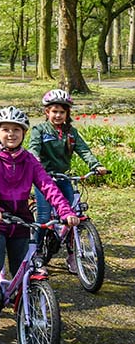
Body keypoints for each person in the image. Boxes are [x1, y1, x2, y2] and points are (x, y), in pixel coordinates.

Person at [0, 107, 79, 312]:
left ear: (24, 133)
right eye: (5, 129)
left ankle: (25, 314)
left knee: (22, 271)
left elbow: (47, 185)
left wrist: (65, 211)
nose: (11, 134)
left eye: (16, 130)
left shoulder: (30, 160)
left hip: (20, 219)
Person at [28, 89, 108, 267]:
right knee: (42, 216)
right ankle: (37, 250)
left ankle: (73, 255)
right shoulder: (39, 130)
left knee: (73, 215)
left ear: (67, 113)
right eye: (54, 111)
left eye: (62, 112)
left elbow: (84, 150)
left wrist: (96, 166)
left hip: (63, 177)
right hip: (44, 178)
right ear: (47, 112)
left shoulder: (71, 132)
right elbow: (33, 148)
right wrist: (35, 160)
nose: (58, 115)